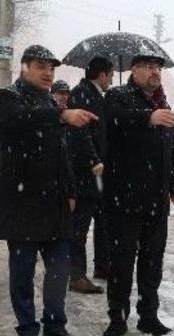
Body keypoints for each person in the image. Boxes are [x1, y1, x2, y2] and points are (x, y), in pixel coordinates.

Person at [0, 45, 98, 336]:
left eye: (51, 68)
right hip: (22, 202)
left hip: (54, 204)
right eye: (40, 66)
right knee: (23, 274)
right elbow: (21, 120)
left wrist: (70, 190)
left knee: (58, 269)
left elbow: (60, 153)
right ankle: (28, 334)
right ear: (24, 67)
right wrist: (62, 114)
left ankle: (56, 327)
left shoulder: (48, 102)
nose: (48, 73)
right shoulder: (6, 97)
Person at [100, 55, 174, 336]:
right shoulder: (118, 97)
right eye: (149, 67)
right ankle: (117, 318)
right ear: (133, 70)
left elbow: (172, 148)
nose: (155, 73)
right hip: (124, 196)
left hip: (156, 199)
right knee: (121, 262)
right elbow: (112, 121)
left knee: (152, 262)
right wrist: (147, 117)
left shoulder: (163, 103)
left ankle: (148, 316)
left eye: (158, 68)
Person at [67, 56, 114, 295]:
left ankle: (102, 266)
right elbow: (81, 132)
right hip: (85, 170)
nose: (112, 80)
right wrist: (93, 158)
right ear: (102, 74)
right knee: (80, 224)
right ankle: (76, 275)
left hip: (98, 170)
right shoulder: (81, 94)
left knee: (102, 219)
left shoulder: (95, 95)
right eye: (111, 75)